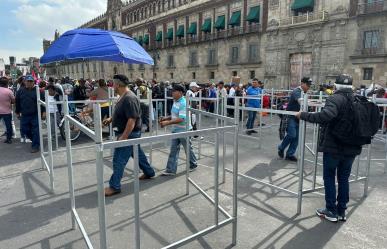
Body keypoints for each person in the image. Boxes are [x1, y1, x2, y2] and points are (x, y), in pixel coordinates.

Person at [295, 74, 361, 222]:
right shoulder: (357, 99)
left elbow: (326, 116)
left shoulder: (335, 98)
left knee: (329, 177)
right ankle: (342, 211)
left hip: (334, 146)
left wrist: (304, 115)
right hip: (352, 147)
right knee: (344, 178)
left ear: (336, 86)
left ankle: (331, 210)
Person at [103, 75, 155, 197]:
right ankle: (149, 172)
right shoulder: (123, 96)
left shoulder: (129, 98)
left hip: (129, 134)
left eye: (113, 84)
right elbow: (123, 114)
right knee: (138, 154)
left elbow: (132, 119)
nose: (112, 86)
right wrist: (111, 119)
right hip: (128, 133)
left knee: (118, 160)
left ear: (118, 84)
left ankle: (114, 186)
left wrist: (124, 136)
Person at [159, 84, 198, 176]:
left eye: (174, 91)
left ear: (180, 93)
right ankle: (170, 170)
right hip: (176, 130)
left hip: (184, 130)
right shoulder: (175, 101)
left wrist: (166, 123)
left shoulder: (183, 103)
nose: (172, 93)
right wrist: (165, 118)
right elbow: (174, 115)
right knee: (173, 150)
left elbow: (182, 119)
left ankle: (193, 164)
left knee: (188, 149)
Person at [278, 77, 312, 162]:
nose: (309, 86)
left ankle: (290, 154)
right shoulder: (297, 91)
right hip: (291, 117)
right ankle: (281, 147)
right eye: (308, 84)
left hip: (299, 117)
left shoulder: (304, 92)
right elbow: (301, 102)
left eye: (309, 85)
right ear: (302, 83)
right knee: (292, 134)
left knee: (297, 137)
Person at [15, 75, 45, 153]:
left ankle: (35, 146)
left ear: (33, 82)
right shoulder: (20, 91)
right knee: (25, 130)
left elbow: (43, 102)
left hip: (35, 114)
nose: (29, 83)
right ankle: (35, 140)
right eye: (27, 81)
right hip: (24, 115)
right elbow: (17, 102)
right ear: (25, 82)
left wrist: (44, 112)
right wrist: (17, 112)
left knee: (35, 130)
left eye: (31, 81)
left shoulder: (38, 91)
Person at [0, 77, 15, 144]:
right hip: (7, 111)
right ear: (7, 83)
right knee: (8, 125)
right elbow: (13, 101)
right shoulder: (9, 91)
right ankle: (9, 139)